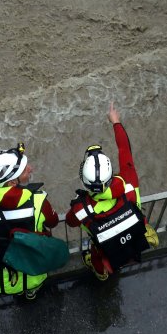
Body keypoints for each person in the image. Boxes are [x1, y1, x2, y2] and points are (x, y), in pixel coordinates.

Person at [66, 102, 153, 281]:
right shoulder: (128, 182)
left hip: (106, 248)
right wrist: (115, 122)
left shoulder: (80, 208)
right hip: (131, 240)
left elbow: (70, 222)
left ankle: (101, 273)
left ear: (84, 181)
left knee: (97, 255)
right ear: (111, 174)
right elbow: (124, 149)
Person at [0, 143, 59, 299]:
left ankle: (19, 291)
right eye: (24, 170)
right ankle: (30, 292)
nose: (30, 169)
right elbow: (53, 222)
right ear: (12, 182)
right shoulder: (38, 200)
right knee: (32, 285)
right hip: (33, 273)